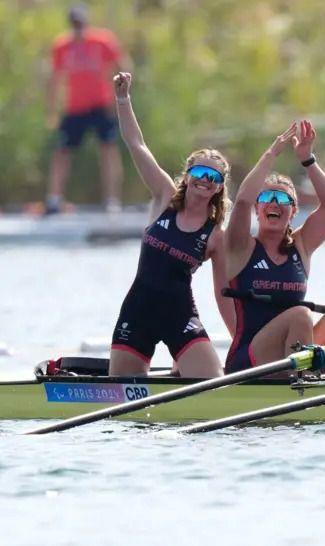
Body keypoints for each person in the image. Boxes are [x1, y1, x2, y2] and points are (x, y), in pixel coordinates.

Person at [108, 72, 229, 378]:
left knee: (212, 385)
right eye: (200, 172)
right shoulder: (163, 196)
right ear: (187, 176)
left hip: (180, 317)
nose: (205, 180)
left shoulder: (215, 235)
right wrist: (123, 100)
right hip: (137, 311)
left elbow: (224, 293)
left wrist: (243, 340)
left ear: (218, 188)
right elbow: (136, 144)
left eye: (213, 177)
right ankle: (175, 375)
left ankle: (183, 372)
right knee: (118, 395)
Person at [224, 121, 325, 374]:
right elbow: (242, 200)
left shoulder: (301, 245)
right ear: (258, 209)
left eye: (284, 199)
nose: (274, 203)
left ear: (294, 211)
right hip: (249, 360)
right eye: (267, 198)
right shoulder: (241, 247)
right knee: (300, 314)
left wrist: (307, 159)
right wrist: (272, 153)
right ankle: (304, 383)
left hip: (293, 350)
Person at [45, 4, 128, 214]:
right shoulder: (62, 46)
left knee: (108, 150)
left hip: (101, 105)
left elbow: (122, 66)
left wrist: (120, 97)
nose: (78, 28)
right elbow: (55, 79)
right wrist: (52, 110)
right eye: (75, 24)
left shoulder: (102, 41)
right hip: (75, 108)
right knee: (62, 152)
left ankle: (112, 200)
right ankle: (54, 198)